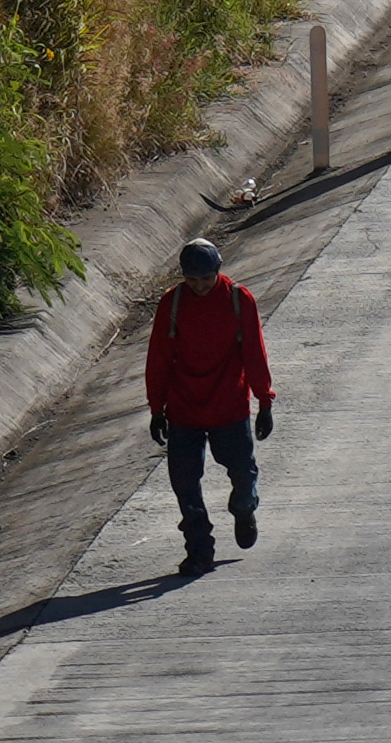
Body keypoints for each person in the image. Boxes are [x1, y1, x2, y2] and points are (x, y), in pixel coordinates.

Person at [145, 238, 274, 579]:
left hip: (229, 407)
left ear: (219, 271)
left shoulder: (238, 301)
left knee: (243, 481)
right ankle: (199, 550)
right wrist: (157, 409)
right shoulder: (171, 305)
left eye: (206, 279)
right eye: (192, 280)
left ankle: (244, 510)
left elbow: (255, 354)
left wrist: (264, 401)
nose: (200, 287)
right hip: (184, 410)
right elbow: (158, 359)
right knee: (185, 485)